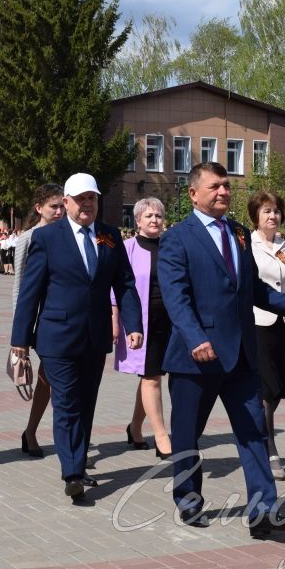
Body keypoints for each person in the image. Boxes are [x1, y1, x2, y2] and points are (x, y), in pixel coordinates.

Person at [157, 162, 285, 540]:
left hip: (242, 355)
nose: (223, 192)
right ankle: (189, 499)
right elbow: (176, 297)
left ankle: (262, 511)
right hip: (196, 357)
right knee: (187, 432)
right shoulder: (178, 238)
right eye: (214, 187)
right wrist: (196, 338)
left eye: (226, 186)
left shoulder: (240, 234)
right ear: (194, 194)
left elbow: (253, 291)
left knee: (254, 431)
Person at [11, 172, 142, 503]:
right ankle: (72, 472)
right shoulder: (47, 238)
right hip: (57, 336)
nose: (87, 204)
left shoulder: (109, 237)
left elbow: (124, 283)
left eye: (92, 198)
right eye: (81, 198)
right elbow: (30, 292)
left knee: (85, 402)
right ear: (66, 202)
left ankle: (78, 464)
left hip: (95, 337)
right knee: (67, 401)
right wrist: (20, 340)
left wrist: (134, 324)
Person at [248, 191, 285, 481]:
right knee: (266, 390)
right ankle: (269, 448)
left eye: (276, 211)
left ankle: (259, 436)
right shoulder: (247, 244)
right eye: (266, 212)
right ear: (255, 217)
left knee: (279, 388)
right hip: (258, 324)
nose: (272, 216)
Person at [112, 196, 173, 459]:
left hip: (169, 321)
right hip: (140, 322)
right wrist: (115, 320)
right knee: (150, 377)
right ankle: (161, 435)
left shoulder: (171, 246)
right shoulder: (126, 248)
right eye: (148, 216)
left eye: (158, 215)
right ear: (137, 220)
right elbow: (115, 287)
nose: (154, 220)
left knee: (152, 376)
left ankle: (135, 427)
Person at [12, 183, 65, 457]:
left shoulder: (71, 234)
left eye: (61, 206)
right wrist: (19, 333)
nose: (58, 211)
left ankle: (42, 434)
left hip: (64, 321)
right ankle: (37, 432)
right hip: (39, 319)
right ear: (39, 208)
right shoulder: (29, 237)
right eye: (52, 206)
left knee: (52, 381)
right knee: (50, 382)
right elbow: (21, 286)